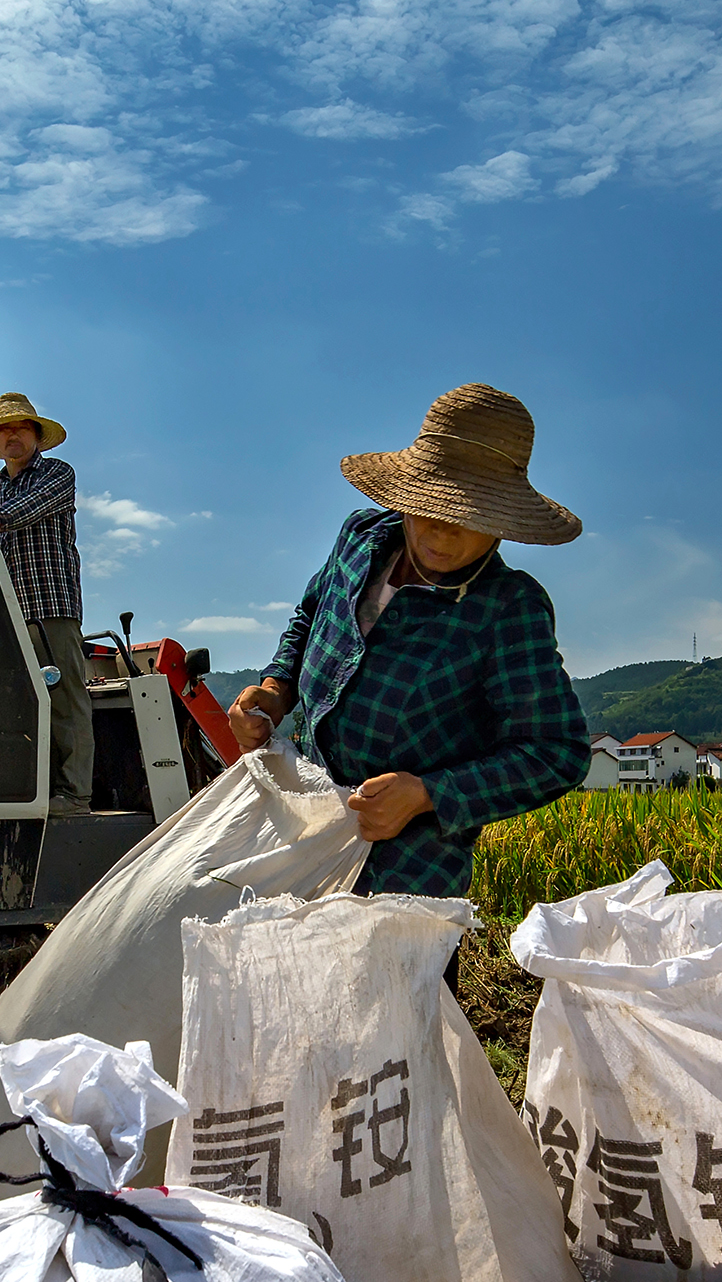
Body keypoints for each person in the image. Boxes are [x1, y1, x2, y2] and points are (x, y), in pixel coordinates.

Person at [228, 383, 591, 897]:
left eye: (468, 519)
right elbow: (310, 615)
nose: (441, 536)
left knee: (386, 980)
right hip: (300, 835)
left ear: (503, 524)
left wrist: (426, 794)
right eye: (429, 510)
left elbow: (557, 751)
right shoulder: (361, 539)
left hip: (405, 876)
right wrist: (276, 686)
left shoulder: (507, 609)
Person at [0, 391, 92, 815]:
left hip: (51, 604)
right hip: (10, 613)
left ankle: (76, 793)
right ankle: (38, 788)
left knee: (65, 699)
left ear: (36, 436)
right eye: (4, 429)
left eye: (21, 427)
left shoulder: (57, 474)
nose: (12, 436)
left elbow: (18, 511)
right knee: (24, 700)